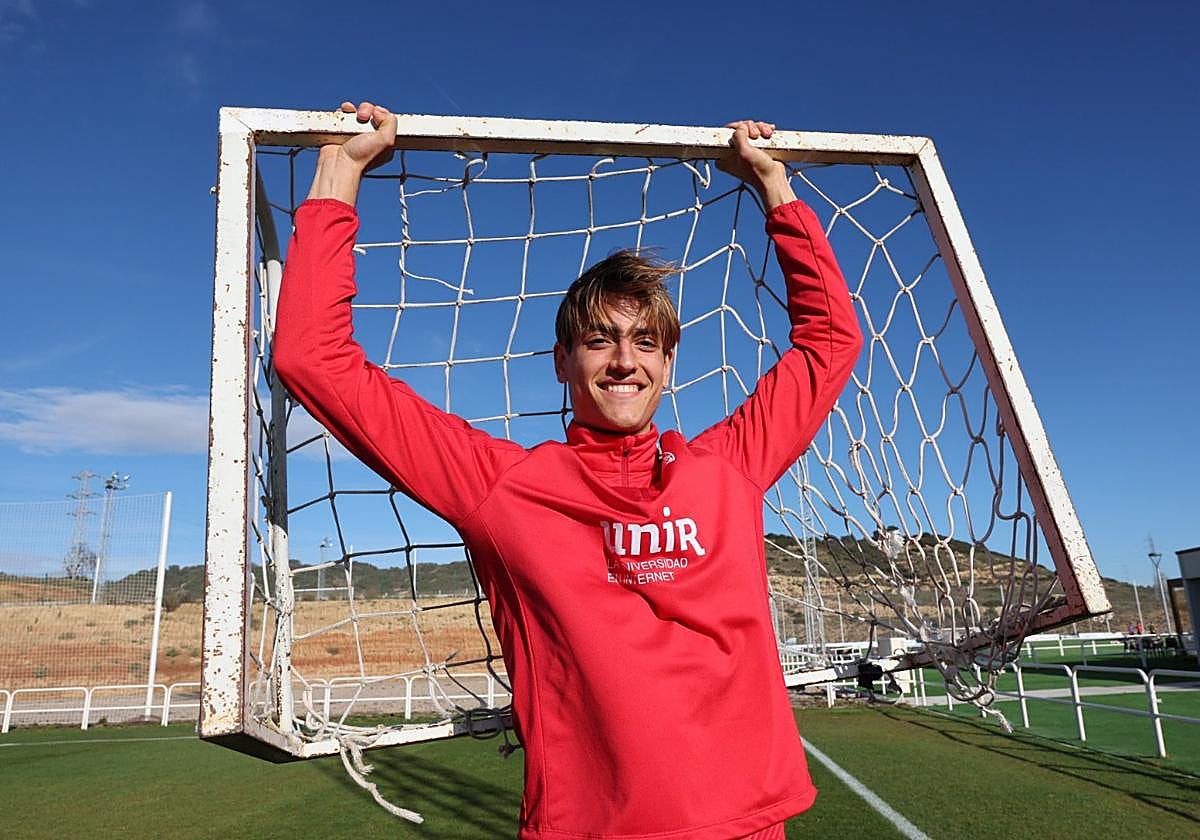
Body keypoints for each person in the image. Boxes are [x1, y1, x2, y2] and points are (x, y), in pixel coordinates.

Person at [274, 101, 863, 840]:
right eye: (599, 340)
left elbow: (831, 343)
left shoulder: (727, 467)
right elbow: (311, 358)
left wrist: (775, 188)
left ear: (669, 363)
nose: (625, 360)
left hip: (749, 826)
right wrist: (340, 171)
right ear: (562, 361)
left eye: (646, 341)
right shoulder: (503, 488)